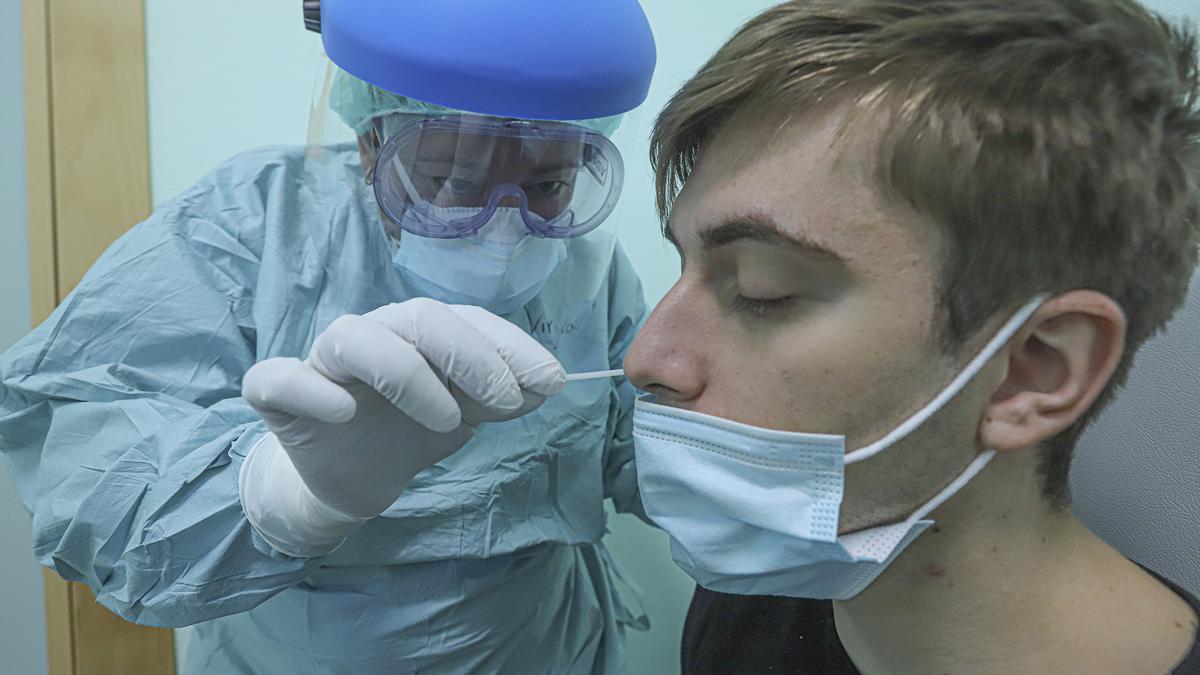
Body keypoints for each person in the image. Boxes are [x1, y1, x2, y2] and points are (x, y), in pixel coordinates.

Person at [0, 1, 656, 673]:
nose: (502, 227)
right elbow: (75, 441)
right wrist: (275, 495)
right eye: (452, 182)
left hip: (547, 647)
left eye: (549, 183)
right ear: (373, 140)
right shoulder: (255, 224)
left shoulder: (591, 271)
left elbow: (645, 455)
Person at [622, 0, 1200, 673]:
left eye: (760, 289)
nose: (645, 358)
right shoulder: (764, 591)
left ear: (1032, 371)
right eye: (683, 265)